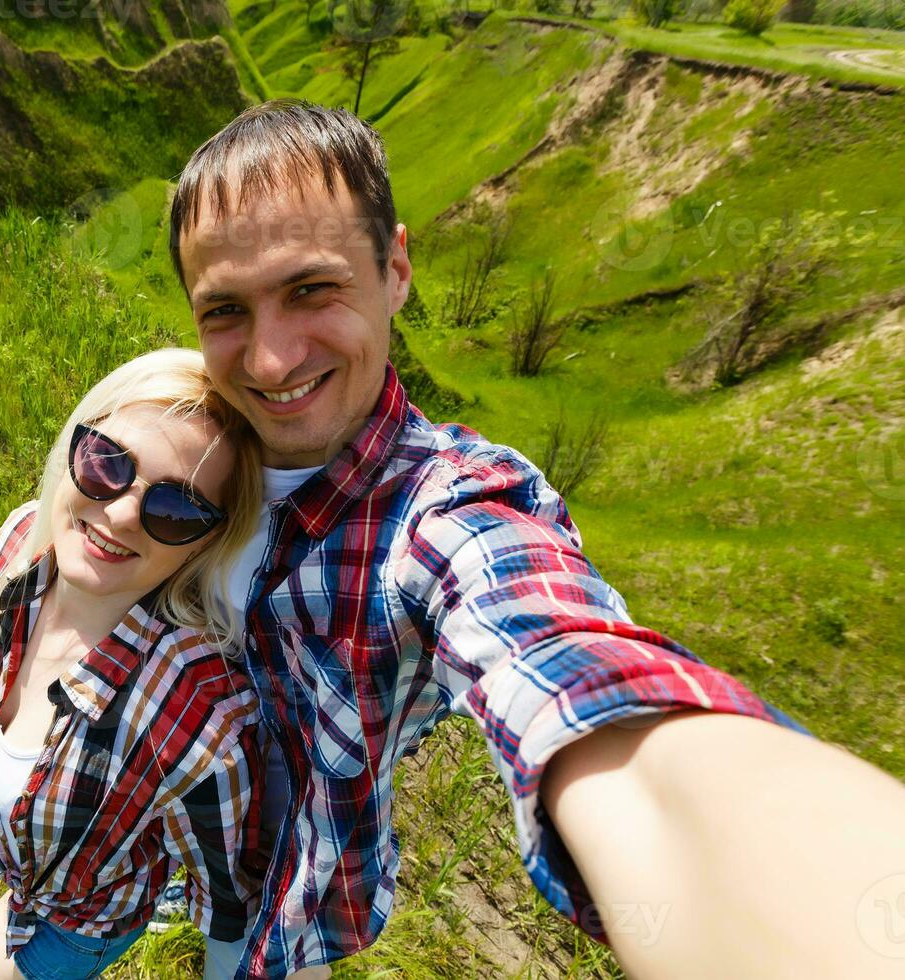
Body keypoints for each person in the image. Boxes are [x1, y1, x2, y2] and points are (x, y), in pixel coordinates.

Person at [165, 99, 905, 978]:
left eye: (311, 290)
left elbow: (556, 653)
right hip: (145, 824)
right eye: (225, 313)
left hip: (288, 896)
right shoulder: (169, 443)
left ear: (395, 267)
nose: (271, 361)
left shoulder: (443, 512)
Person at [0, 348, 268, 979]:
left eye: (177, 510)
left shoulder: (197, 715)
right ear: (75, 447)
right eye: (108, 463)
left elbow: (238, 900)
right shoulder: (25, 536)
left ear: (211, 538)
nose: (119, 514)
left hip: (80, 921)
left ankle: (153, 885)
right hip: (34, 875)